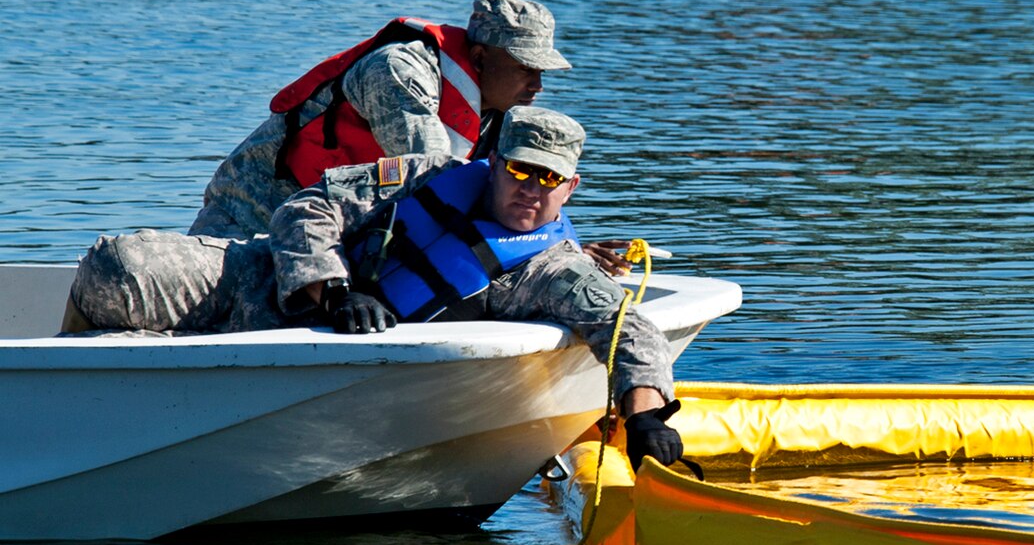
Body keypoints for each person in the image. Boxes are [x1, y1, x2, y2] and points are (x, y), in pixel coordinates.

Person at [67, 106, 687, 469]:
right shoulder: (422, 177)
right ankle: (71, 409)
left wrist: (645, 419)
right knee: (119, 265)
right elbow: (309, 208)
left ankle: (130, 428)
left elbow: (627, 327)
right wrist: (332, 289)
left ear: (570, 188)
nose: (531, 187)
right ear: (494, 164)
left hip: (334, 373)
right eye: (521, 169)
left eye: (549, 178)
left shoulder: (550, 268)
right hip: (263, 286)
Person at [187, 0, 568, 240]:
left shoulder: (497, 110)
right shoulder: (397, 72)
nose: (537, 84)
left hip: (328, 227)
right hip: (250, 211)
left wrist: (554, 242)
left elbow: (505, 193)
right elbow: (434, 179)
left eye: (542, 72)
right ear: (482, 58)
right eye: (525, 68)